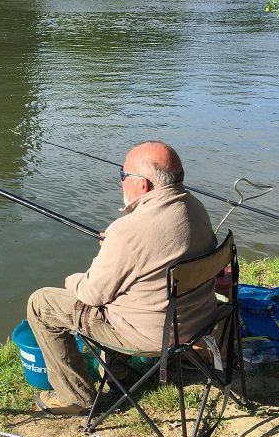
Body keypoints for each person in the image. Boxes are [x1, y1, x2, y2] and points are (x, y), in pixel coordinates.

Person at [27, 141, 217, 415]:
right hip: (200, 321)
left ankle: (75, 397)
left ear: (142, 184)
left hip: (151, 335)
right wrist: (115, 246)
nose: (121, 183)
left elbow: (93, 293)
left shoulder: (127, 231)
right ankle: (119, 375)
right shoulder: (195, 208)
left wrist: (73, 279)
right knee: (125, 290)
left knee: (41, 303)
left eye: (123, 176)